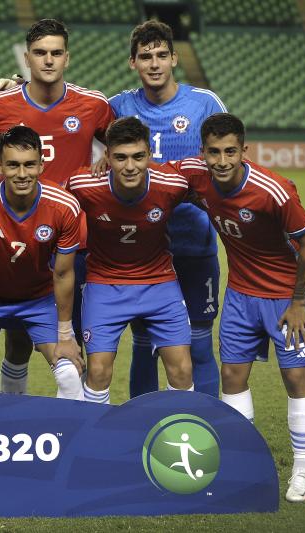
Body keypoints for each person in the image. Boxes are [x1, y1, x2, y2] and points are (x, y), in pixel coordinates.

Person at [174, 113, 305, 503]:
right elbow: (153, 172)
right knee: (232, 375)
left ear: (244, 151)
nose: (221, 161)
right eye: (214, 152)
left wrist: (298, 302)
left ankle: (301, 473)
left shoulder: (274, 190)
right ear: (202, 152)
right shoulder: (196, 175)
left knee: (296, 380)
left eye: (230, 152)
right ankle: (244, 466)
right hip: (239, 295)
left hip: (285, 298)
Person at [0, 19, 114, 394]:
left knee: (74, 338)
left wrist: (109, 160)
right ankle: (13, 412)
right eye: (40, 53)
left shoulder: (92, 104)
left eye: (56, 53)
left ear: (67, 57)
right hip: (15, 238)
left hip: (76, 240)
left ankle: (73, 421)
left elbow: (125, 145)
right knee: (19, 337)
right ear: (27, 58)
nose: (48, 60)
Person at [106, 21, 227, 398]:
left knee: (200, 342)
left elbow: (228, 160)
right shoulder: (118, 107)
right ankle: (144, 427)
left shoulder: (204, 103)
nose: (154, 64)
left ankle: (206, 424)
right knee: (145, 344)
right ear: (133, 62)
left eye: (161, 55)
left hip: (194, 243)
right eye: (146, 56)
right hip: (140, 250)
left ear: (174, 58)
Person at [67, 117, 194, 403]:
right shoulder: (83, 184)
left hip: (159, 282)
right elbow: (53, 208)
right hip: (104, 284)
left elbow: (212, 194)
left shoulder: (172, 184)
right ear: (107, 156)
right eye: (121, 158)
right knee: (98, 371)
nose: (130, 166)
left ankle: (176, 439)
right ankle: (96, 443)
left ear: (150, 154)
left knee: (183, 369)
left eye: (138, 157)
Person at [0, 126, 83, 398]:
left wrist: (66, 334)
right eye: (12, 165)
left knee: (69, 373)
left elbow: (63, 274)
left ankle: (70, 438)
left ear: (42, 165)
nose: (22, 174)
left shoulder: (64, 205)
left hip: (39, 299)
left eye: (29, 165)